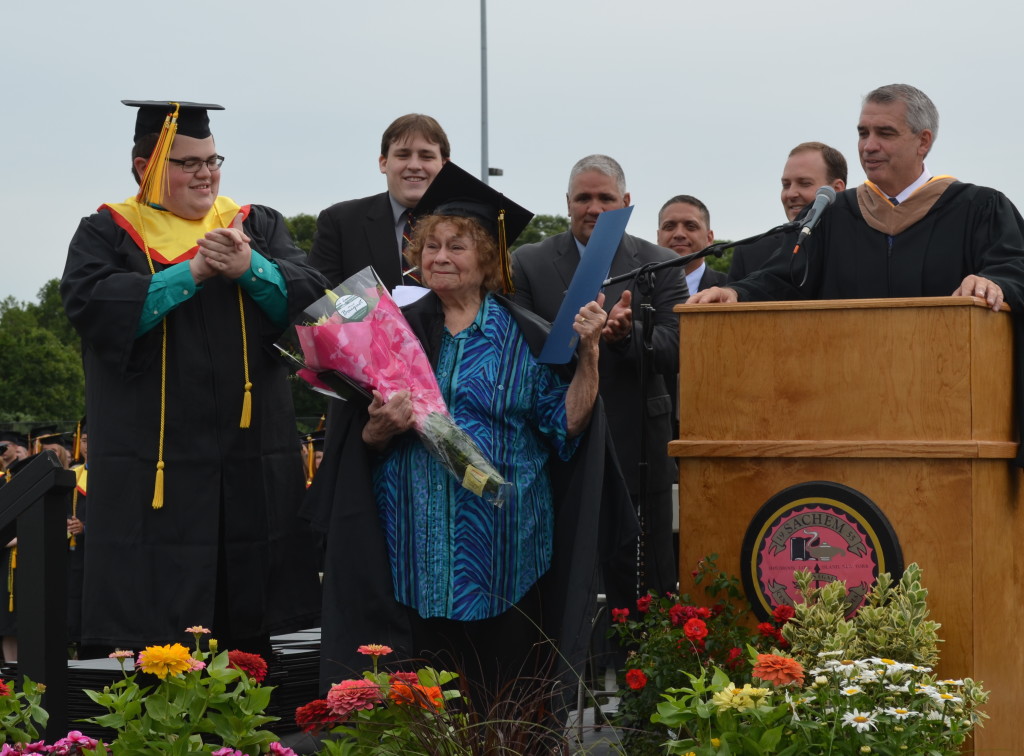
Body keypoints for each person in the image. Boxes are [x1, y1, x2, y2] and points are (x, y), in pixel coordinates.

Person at [306, 162, 633, 721]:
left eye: (456, 245)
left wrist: (590, 357)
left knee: (504, 698)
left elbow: (566, 425)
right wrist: (376, 429)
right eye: (429, 245)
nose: (438, 256)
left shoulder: (524, 333)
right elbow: (360, 437)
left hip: (508, 551)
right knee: (424, 702)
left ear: (487, 256)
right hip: (412, 551)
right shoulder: (394, 330)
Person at [60, 100, 326, 653]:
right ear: (145, 168)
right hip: (156, 469)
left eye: (212, 159)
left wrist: (251, 268)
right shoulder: (107, 233)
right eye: (189, 163)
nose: (206, 173)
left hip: (247, 460)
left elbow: (312, 301)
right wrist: (193, 272)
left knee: (248, 620)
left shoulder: (254, 225)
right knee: (159, 629)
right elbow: (93, 305)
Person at [512, 154, 688, 610]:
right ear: (567, 203)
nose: (594, 208)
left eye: (605, 198)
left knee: (644, 585)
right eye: (583, 198)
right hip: (554, 448)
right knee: (563, 587)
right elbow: (519, 352)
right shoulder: (527, 263)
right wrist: (579, 336)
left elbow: (679, 348)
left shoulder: (661, 263)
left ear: (626, 202)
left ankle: (641, 677)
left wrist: (628, 335)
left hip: (638, 452)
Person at [691, 84, 1024, 312]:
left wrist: (993, 282)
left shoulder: (978, 208)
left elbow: (1015, 267)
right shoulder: (832, 215)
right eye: (863, 133)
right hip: (847, 389)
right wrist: (736, 292)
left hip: (948, 393)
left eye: (885, 133)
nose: (868, 146)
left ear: (923, 142)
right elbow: (783, 279)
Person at [309, 114, 450, 290]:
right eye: (403, 155)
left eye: (426, 156)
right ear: (383, 163)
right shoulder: (341, 223)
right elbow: (320, 299)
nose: (414, 165)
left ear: (445, 165)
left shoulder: (475, 224)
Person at [728, 141, 847, 281]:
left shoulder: (864, 245)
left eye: (804, 183)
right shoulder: (750, 253)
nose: (790, 194)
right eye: (786, 185)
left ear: (837, 189)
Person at [657, 194, 726, 294]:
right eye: (669, 226)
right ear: (658, 237)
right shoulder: (637, 287)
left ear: (709, 238)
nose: (679, 234)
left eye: (690, 226)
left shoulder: (730, 288)